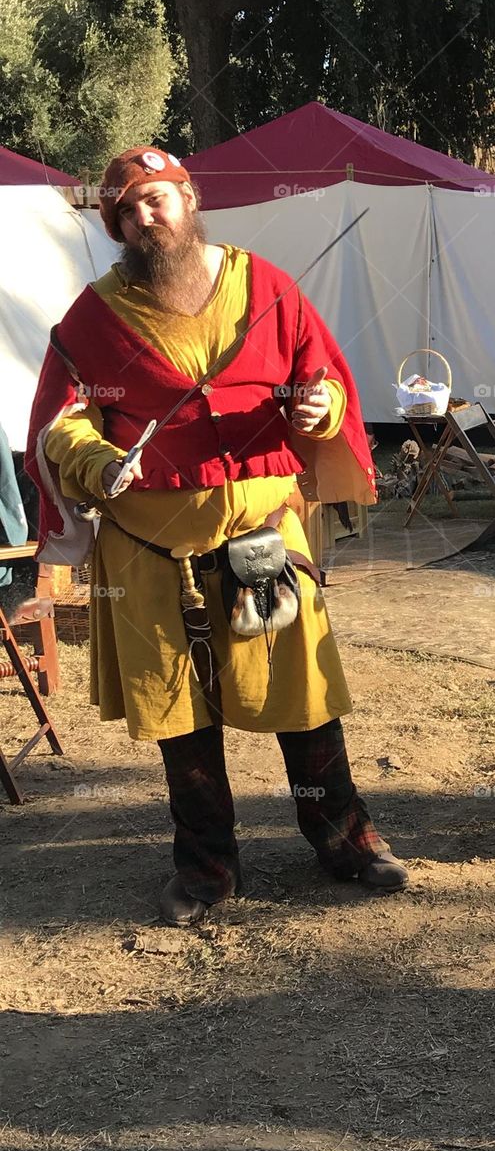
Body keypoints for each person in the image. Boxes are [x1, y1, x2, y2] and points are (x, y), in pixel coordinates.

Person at [26, 146, 408, 925]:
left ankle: (344, 838)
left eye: (155, 199)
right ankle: (205, 867)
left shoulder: (265, 287)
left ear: (188, 197)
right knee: (181, 714)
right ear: (116, 227)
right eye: (127, 211)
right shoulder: (93, 318)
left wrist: (320, 410)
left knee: (300, 697)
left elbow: (323, 378)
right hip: (148, 549)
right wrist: (96, 460)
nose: (144, 217)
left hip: (257, 537)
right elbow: (60, 425)